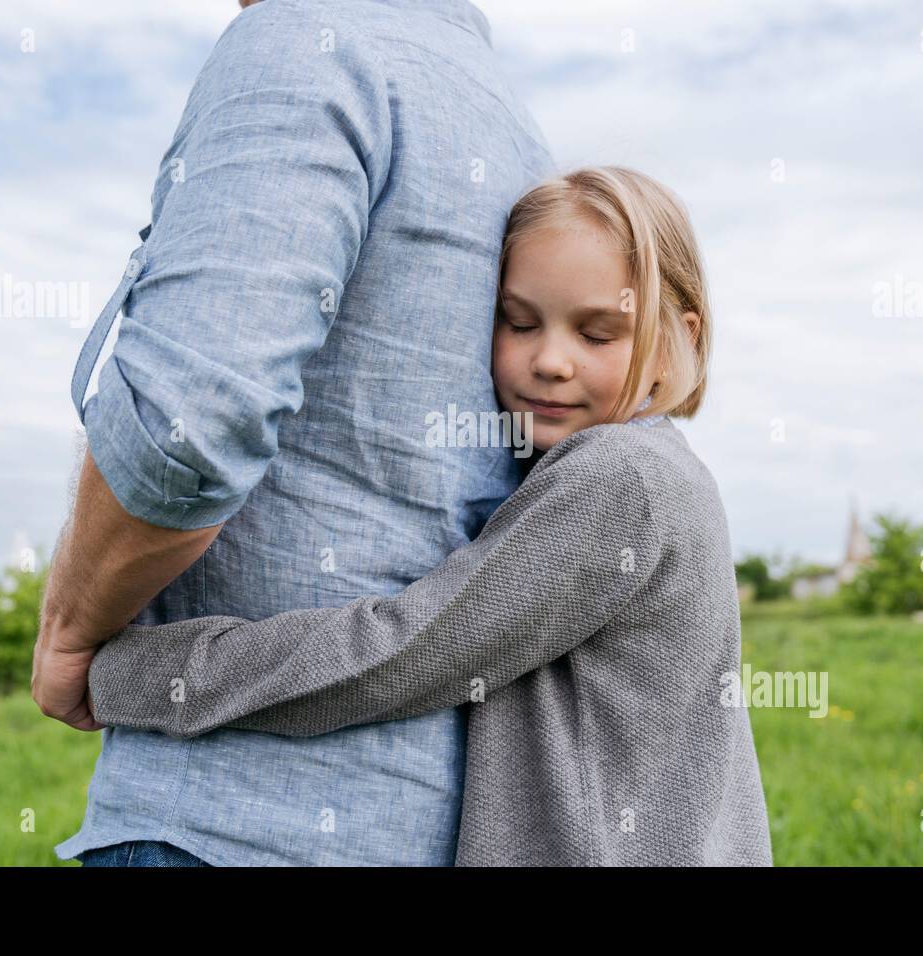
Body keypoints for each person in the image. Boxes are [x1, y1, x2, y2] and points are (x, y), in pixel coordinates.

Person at [86, 166, 775, 866]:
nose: (551, 361)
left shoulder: (619, 479)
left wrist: (135, 674)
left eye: (599, 334)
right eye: (519, 322)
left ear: (674, 339)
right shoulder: (663, 468)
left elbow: (402, 652)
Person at [38, 0, 557, 866]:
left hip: (228, 821)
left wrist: (68, 628)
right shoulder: (509, 116)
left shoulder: (304, 39)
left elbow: (187, 431)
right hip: (435, 821)